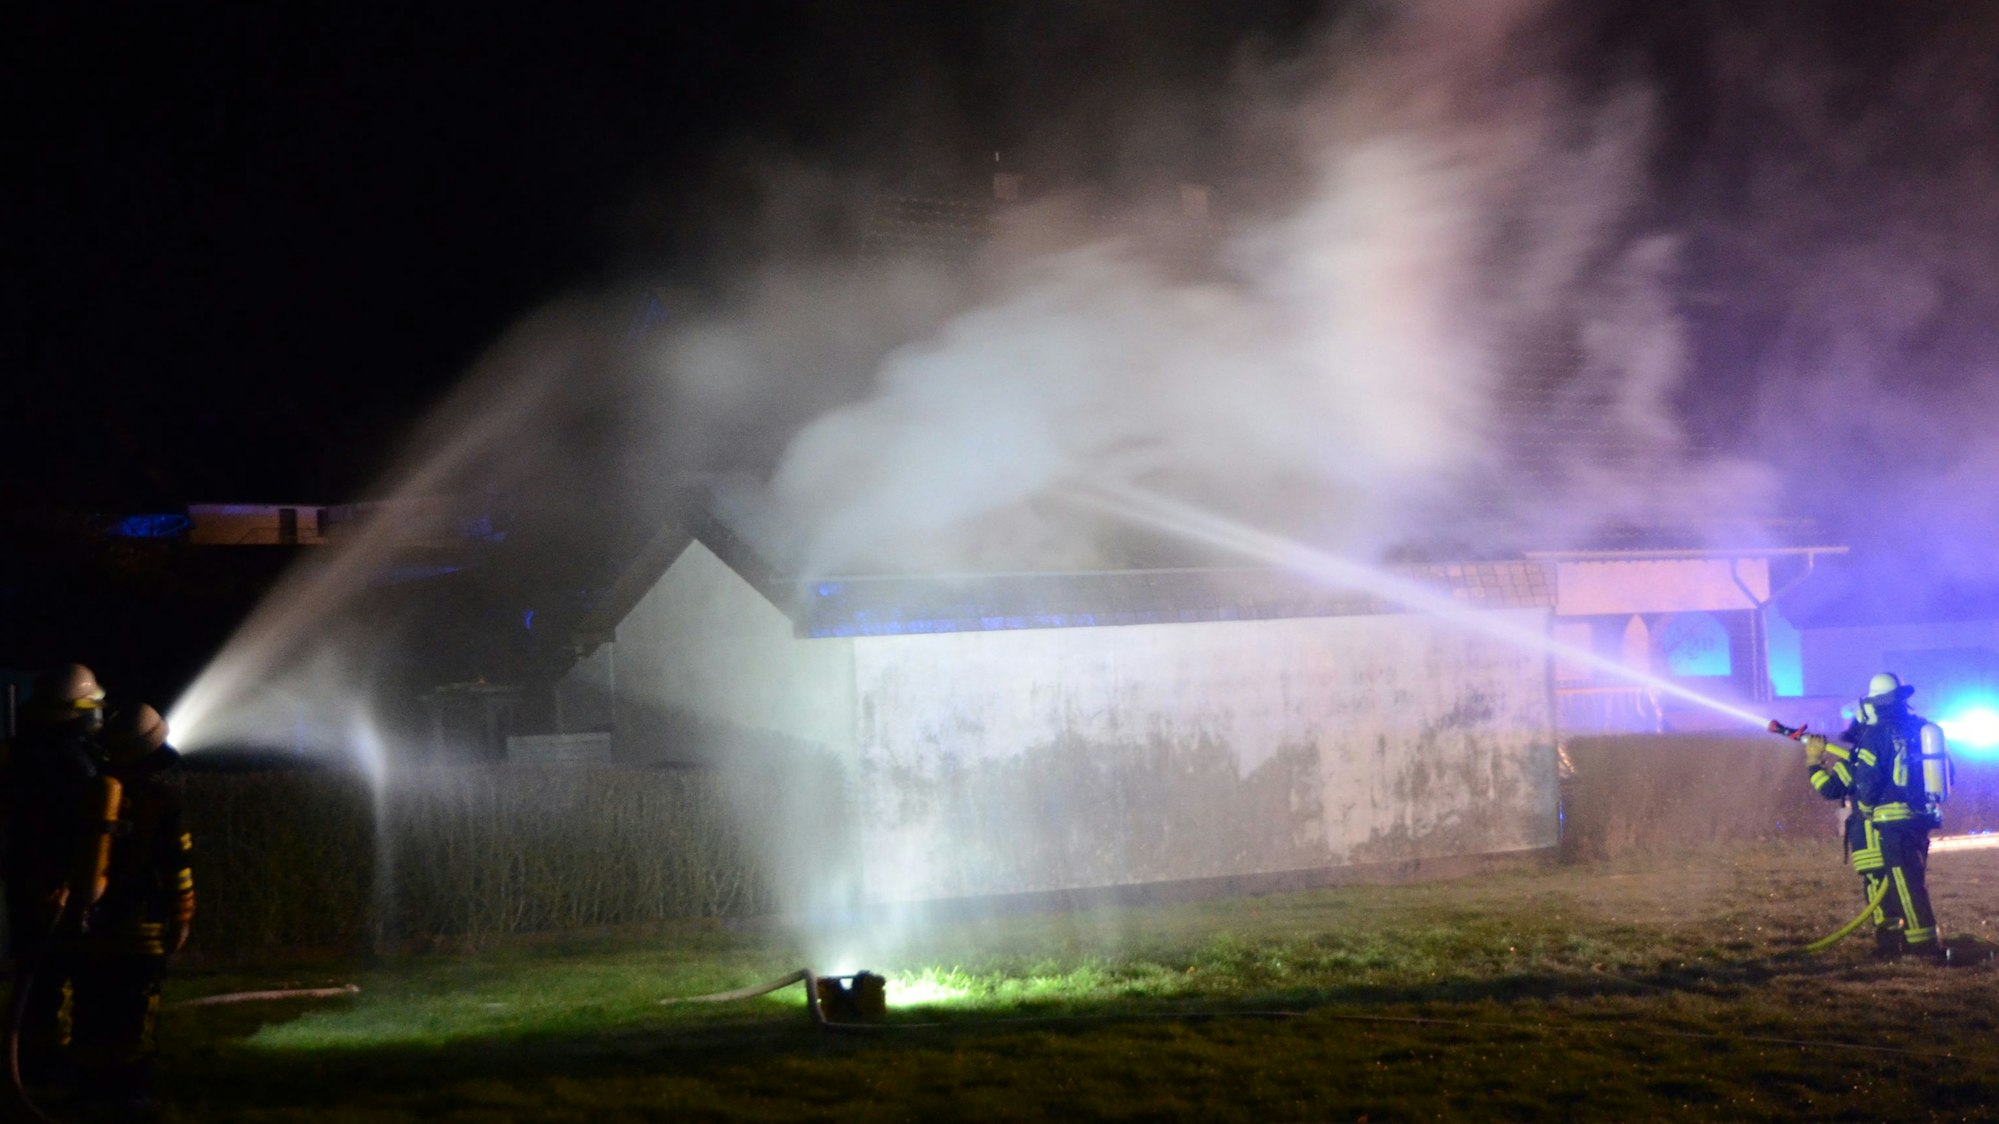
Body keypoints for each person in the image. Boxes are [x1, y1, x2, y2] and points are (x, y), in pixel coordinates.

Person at [71, 702, 193, 1113]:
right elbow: (176, 862)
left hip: (96, 922)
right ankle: (131, 1095)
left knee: (94, 1005)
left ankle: (90, 1090)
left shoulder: (96, 789)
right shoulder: (163, 797)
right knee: (135, 1010)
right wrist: (184, 912)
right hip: (144, 924)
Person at [1, 663, 114, 1088]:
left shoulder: (21, 751)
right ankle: (52, 1069)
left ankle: (36, 1060)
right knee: (59, 977)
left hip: (28, 881)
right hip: (60, 884)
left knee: (38, 975)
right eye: (91, 706)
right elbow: (71, 827)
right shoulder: (70, 761)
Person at [1805, 673, 1945, 963]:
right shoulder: (1921, 730)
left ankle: (1920, 946)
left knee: (1898, 883)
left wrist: (1812, 764)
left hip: (1887, 824)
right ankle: (1895, 942)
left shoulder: (1875, 736)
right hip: (1920, 819)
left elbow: (1860, 785)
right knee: (1903, 880)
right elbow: (1947, 774)